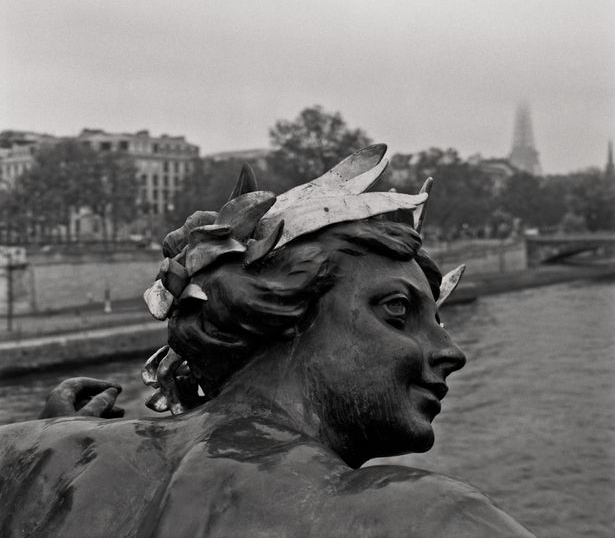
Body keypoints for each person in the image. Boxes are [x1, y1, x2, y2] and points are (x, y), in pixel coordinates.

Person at [0, 146, 536, 537]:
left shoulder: (29, 453)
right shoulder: (422, 518)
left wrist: (56, 453)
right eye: (397, 310)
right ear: (283, 313)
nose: (452, 352)